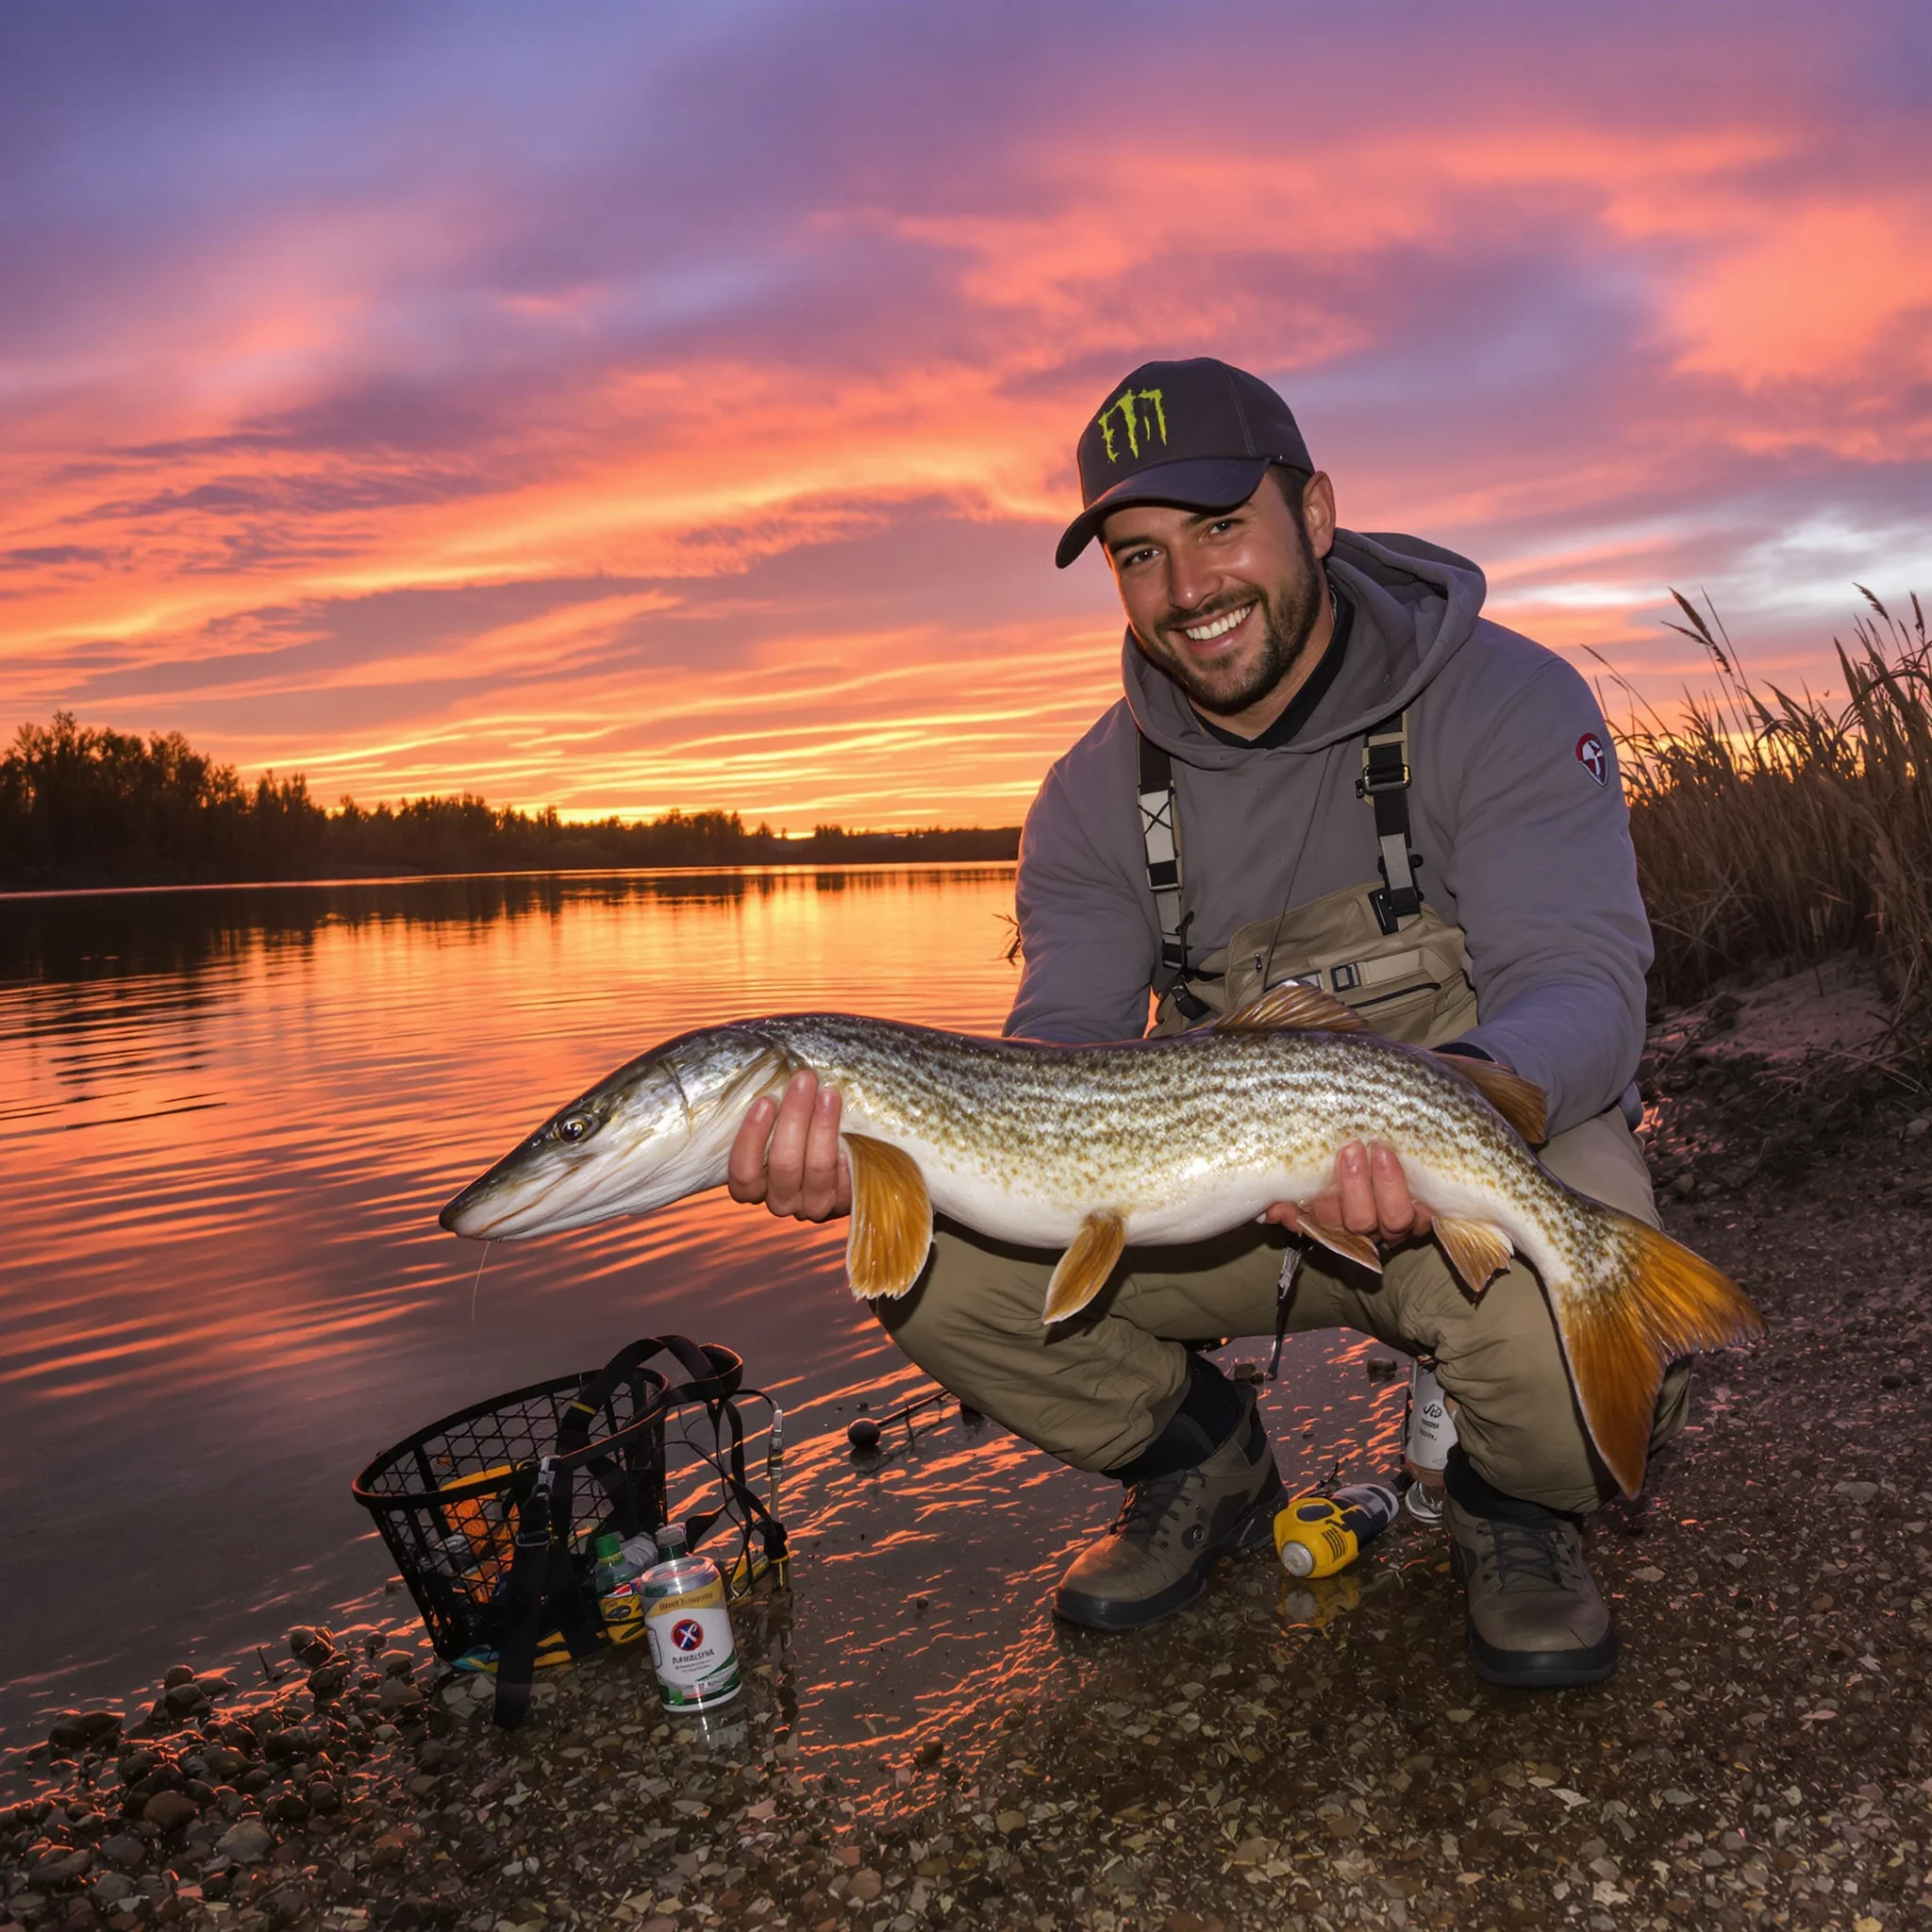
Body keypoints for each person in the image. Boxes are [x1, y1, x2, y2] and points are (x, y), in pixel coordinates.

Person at [727, 357, 1687, 1689]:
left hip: (1469, 1138)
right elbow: (1054, 1047)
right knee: (927, 1261)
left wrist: (1448, 1115)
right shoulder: (1085, 798)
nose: (1187, 592)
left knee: (1596, 1331)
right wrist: (888, 1156)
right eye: (1138, 555)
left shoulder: (1509, 701)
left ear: (1318, 511)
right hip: (1205, 1193)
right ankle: (1203, 1462)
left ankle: (1508, 1503)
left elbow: (1585, 979)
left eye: (1221, 528)